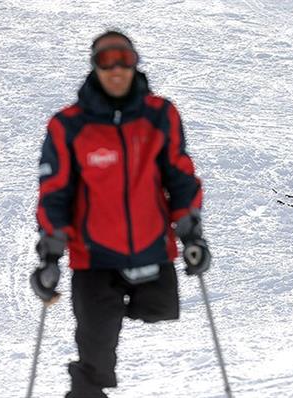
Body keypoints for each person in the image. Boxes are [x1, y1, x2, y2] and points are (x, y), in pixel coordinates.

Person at [30, 30, 211, 398]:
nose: (116, 70)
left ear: (134, 63)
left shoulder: (159, 114)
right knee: (95, 354)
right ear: (95, 67)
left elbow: (179, 176)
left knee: (162, 310)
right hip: (94, 256)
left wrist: (191, 231)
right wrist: (50, 253)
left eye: (124, 60)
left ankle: (108, 314)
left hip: (151, 247)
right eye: (106, 61)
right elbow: (55, 193)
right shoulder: (68, 125)